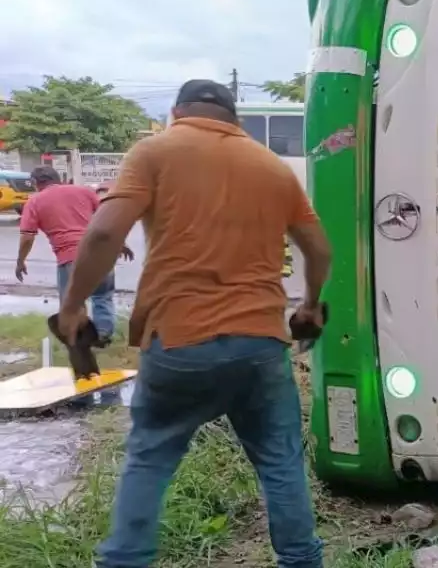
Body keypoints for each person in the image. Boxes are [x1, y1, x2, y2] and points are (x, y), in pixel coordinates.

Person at [56, 79, 334, 568]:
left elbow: (103, 232)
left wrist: (74, 304)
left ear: (177, 112)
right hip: (260, 345)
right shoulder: (271, 166)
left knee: (150, 457)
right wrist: (310, 305)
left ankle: (124, 561)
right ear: (235, 120)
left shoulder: (155, 151)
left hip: (180, 341)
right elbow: (318, 247)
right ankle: (302, 561)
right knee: (280, 462)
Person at [16, 164, 133, 346]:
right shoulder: (84, 191)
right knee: (102, 296)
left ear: (35, 183)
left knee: (73, 302)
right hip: (101, 254)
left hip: (71, 258)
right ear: (58, 179)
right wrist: (120, 243)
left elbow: (27, 237)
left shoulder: (35, 201)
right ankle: (103, 335)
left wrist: (20, 261)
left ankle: (81, 339)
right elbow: (106, 218)